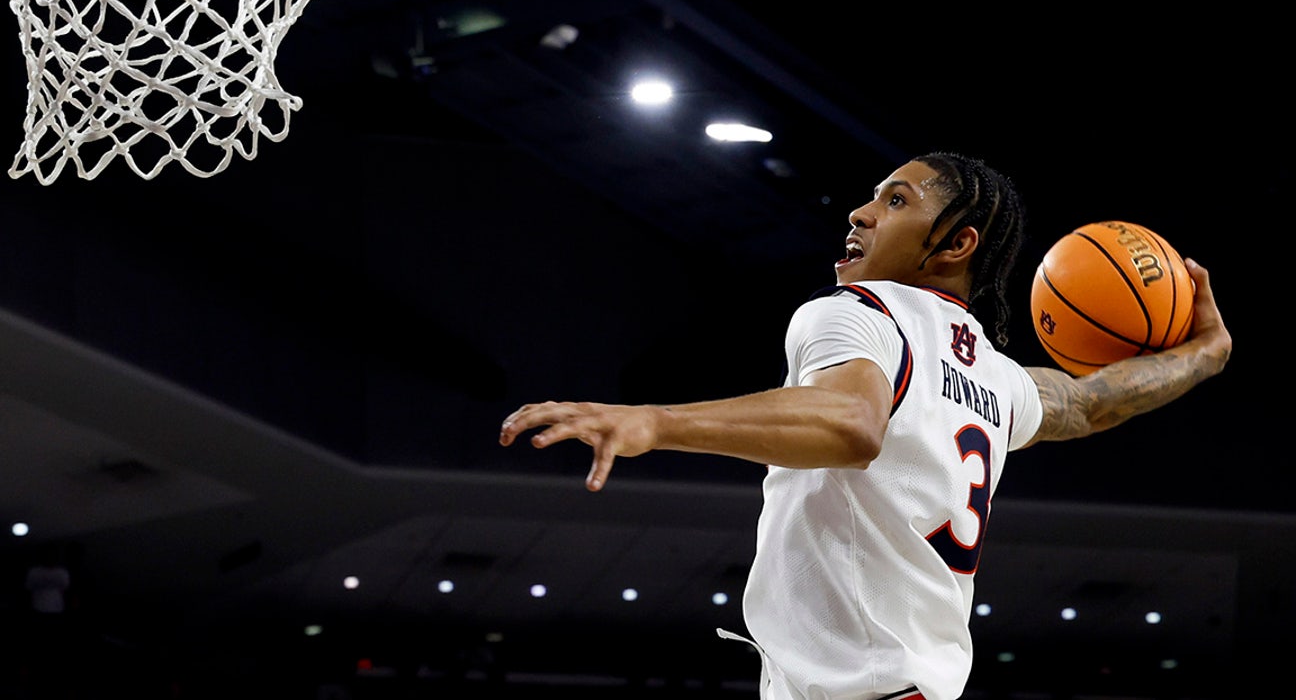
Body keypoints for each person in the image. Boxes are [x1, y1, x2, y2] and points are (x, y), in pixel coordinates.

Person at [498, 151, 1232, 700]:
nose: (860, 212)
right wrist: (1206, 354)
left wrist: (654, 422)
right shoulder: (990, 376)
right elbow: (1092, 401)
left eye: (895, 200)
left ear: (956, 244)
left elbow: (853, 422)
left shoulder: (857, 313)